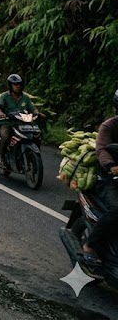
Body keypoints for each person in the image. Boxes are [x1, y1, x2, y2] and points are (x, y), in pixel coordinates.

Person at [80, 87, 118, 267]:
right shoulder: (109, 126)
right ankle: (90, 245)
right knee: (116, 211)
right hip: (109, 179)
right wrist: (111, 165)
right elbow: (102, 149)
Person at [0, 74, 38, 162]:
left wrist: (37, 113)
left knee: (36, 134)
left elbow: (32, 108)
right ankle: (2, 157)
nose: (18, 87)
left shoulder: (25, 97)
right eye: (15, 85)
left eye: (19, 85)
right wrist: (1, 113)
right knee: (6, 136)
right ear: (11, 85)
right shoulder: (4, 96)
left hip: (22, 121)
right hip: (7, 122)